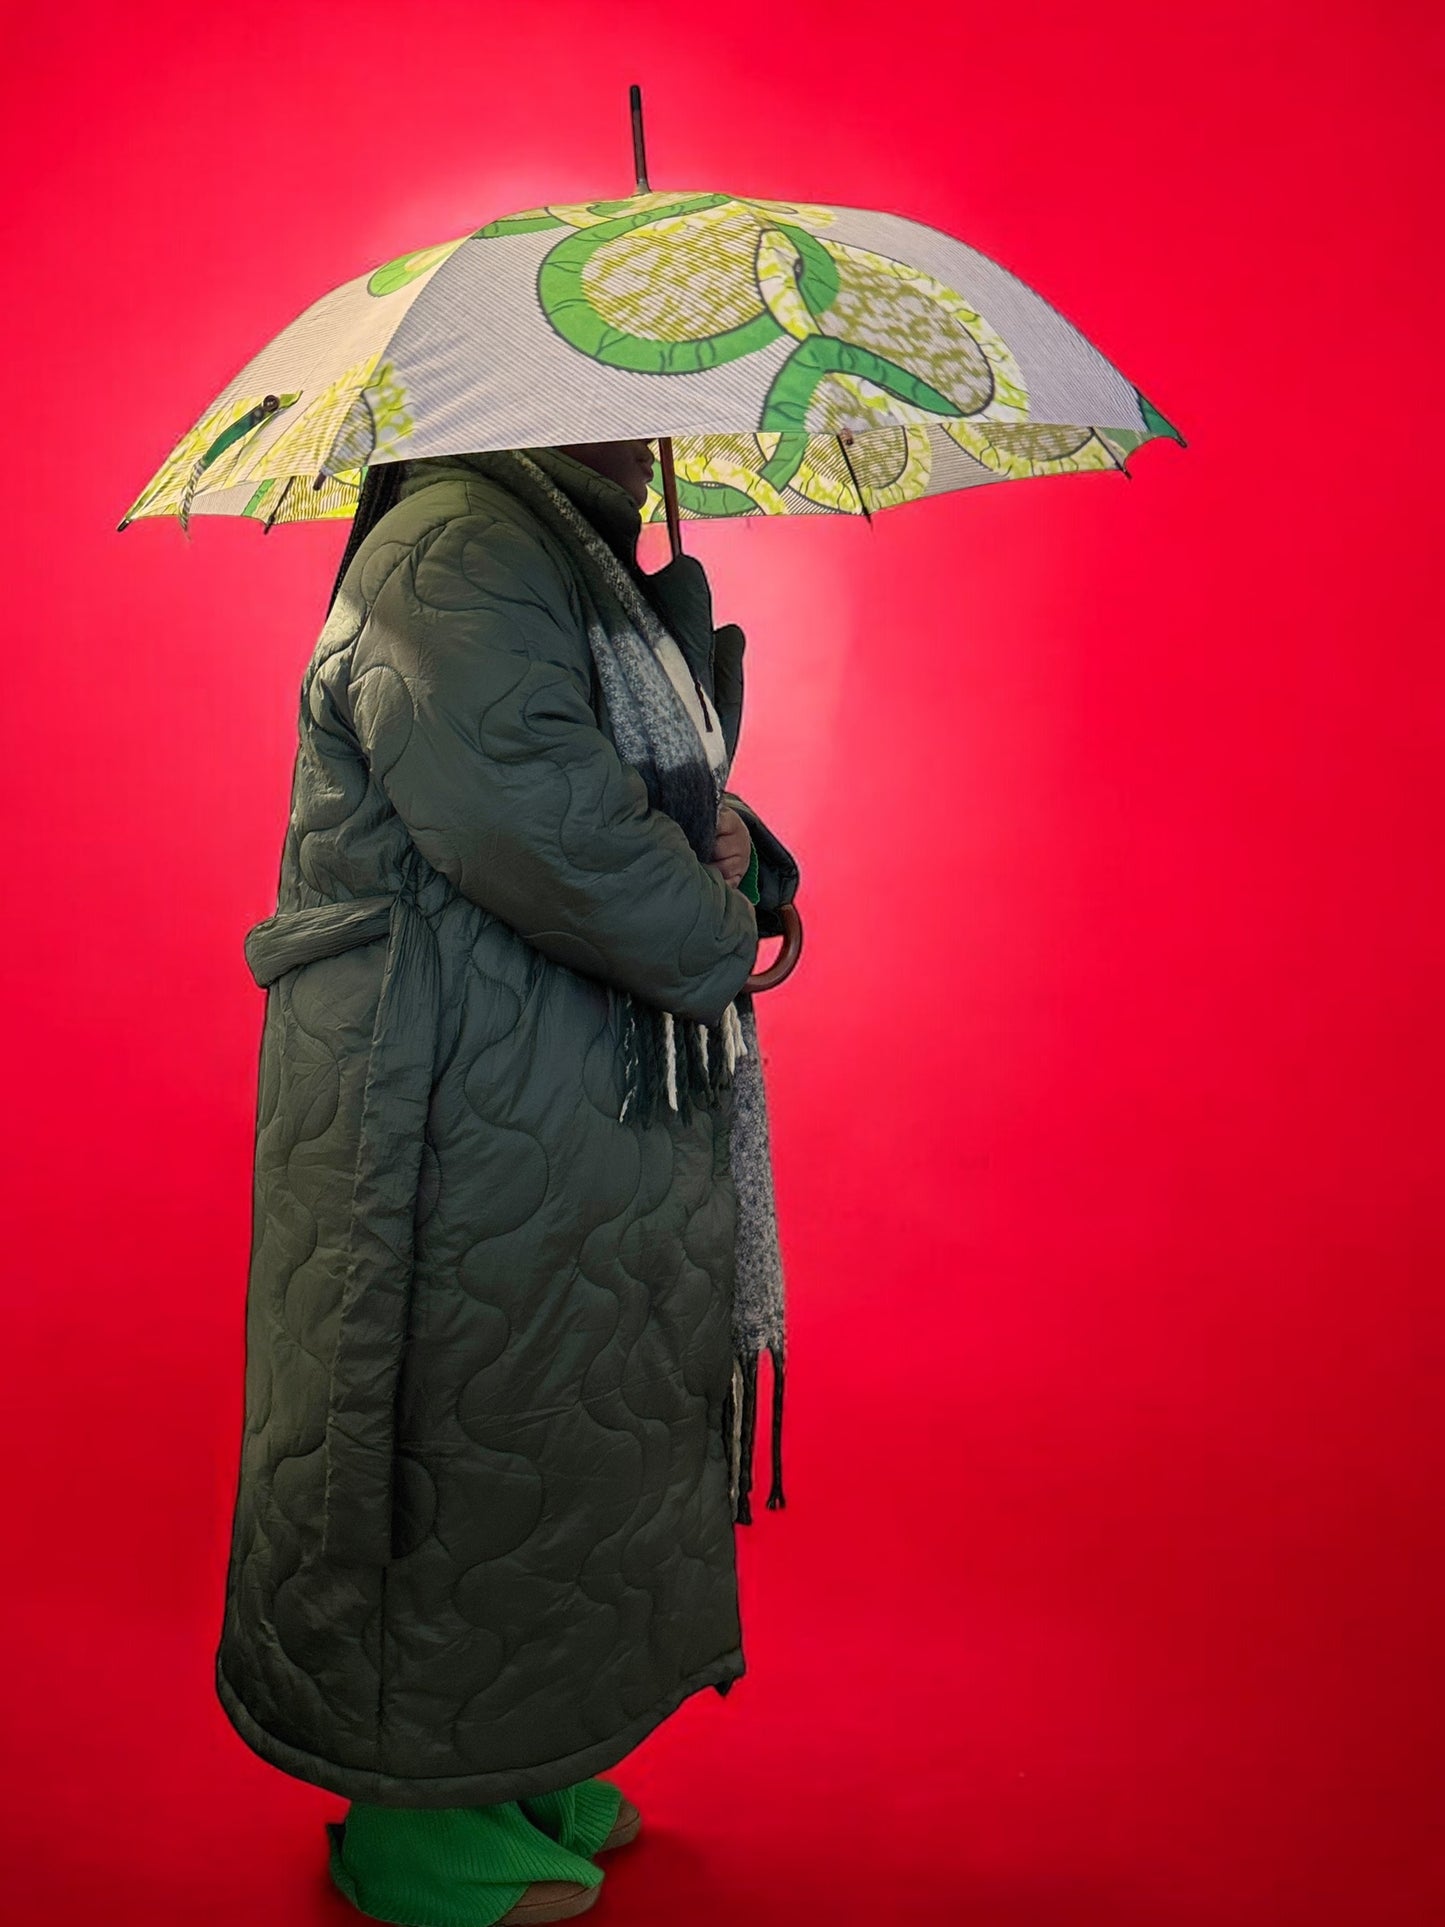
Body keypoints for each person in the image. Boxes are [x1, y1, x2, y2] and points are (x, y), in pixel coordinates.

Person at [217, 437, 801, 1926]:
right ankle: (415, 1812)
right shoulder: (461, 546)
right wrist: (723, 917)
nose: (641, 418)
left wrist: (747, 865)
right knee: (449, 1423)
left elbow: (635, 794)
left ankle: (521, 1750)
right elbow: (538, 818)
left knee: (560, 1418)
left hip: (540, 1069)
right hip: (444, 1089)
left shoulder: (566, 546)